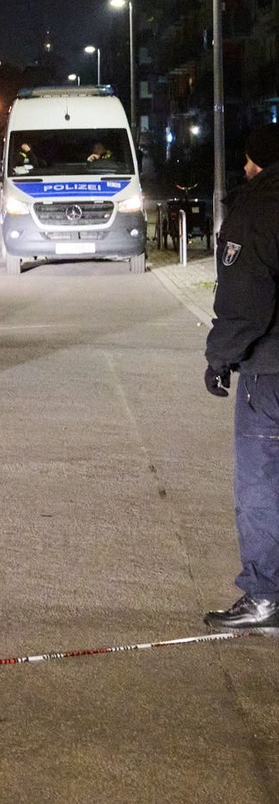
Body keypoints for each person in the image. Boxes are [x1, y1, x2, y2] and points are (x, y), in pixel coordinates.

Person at [204, 123, 279, 631]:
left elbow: (246, 302)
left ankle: (265, 597)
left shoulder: (254, 212)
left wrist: (220, 357)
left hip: (270, 371)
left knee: (261, 485)